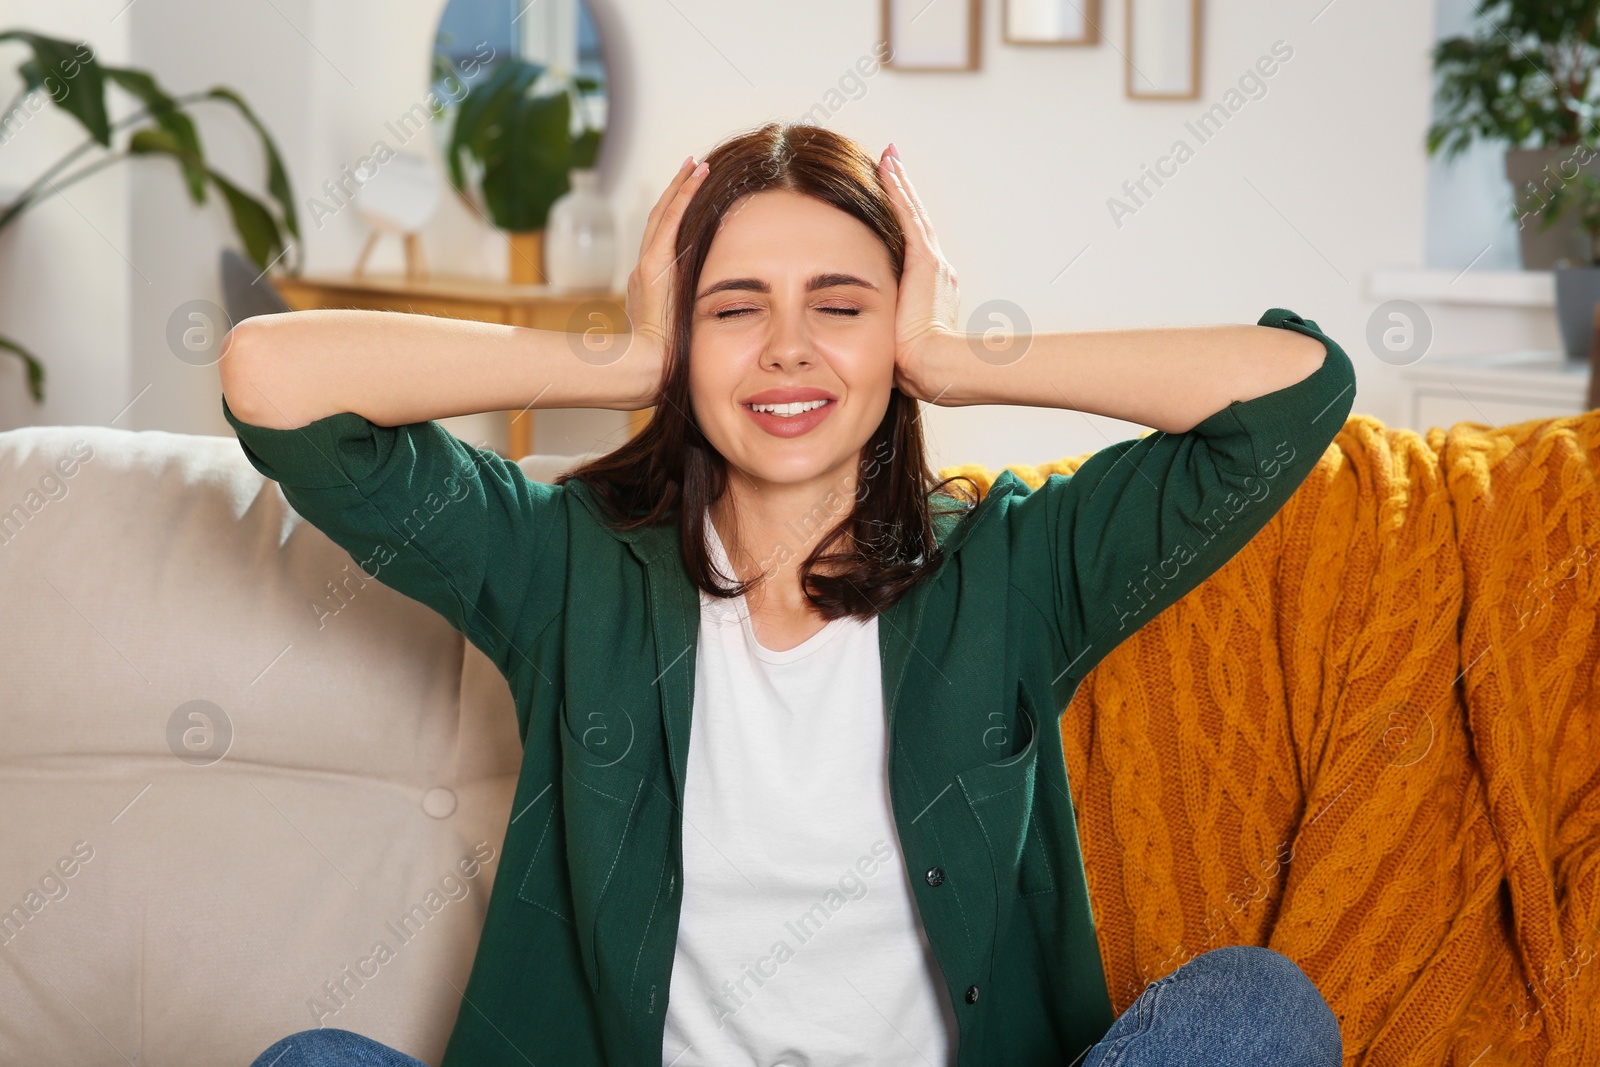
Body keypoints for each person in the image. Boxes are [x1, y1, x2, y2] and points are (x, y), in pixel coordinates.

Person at [224, 121, 1350, 1067]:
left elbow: (1297, 393)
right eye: (733, 308)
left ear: (897, 333)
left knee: (1254, 1004)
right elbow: (274, 382)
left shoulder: (1012, 562)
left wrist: (960, 361)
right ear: (683, 335)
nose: (787, 348)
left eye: (841, 305)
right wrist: (617, 364)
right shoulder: (563, 564)